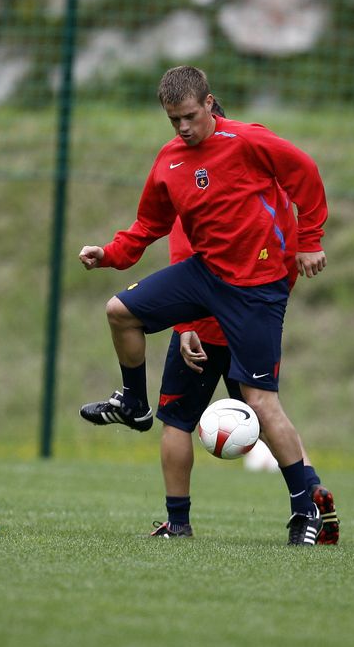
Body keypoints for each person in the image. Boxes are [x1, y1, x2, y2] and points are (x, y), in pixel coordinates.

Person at [77, 65, 330, 546]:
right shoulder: (170, 161)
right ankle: (134, 404)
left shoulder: (248, 141)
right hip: (207, 275)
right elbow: (148, 226)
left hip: (256, 289)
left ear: (210, 103)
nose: (183, 128)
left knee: (260, 401)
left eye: (190, 116)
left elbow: (306, 174)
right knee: (119, 312)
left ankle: (307, 511)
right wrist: (109, 254)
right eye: (174, 120)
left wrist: (310, 240)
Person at [147, 214, 340, 544]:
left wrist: (184, 325)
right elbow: (286, 260)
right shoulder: (264, 202)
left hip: (203, 330)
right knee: (268, 415)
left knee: (177, 422)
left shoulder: (197, 189)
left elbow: (182, 255)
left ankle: (178, 522)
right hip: (250, 326)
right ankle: (312, 494)